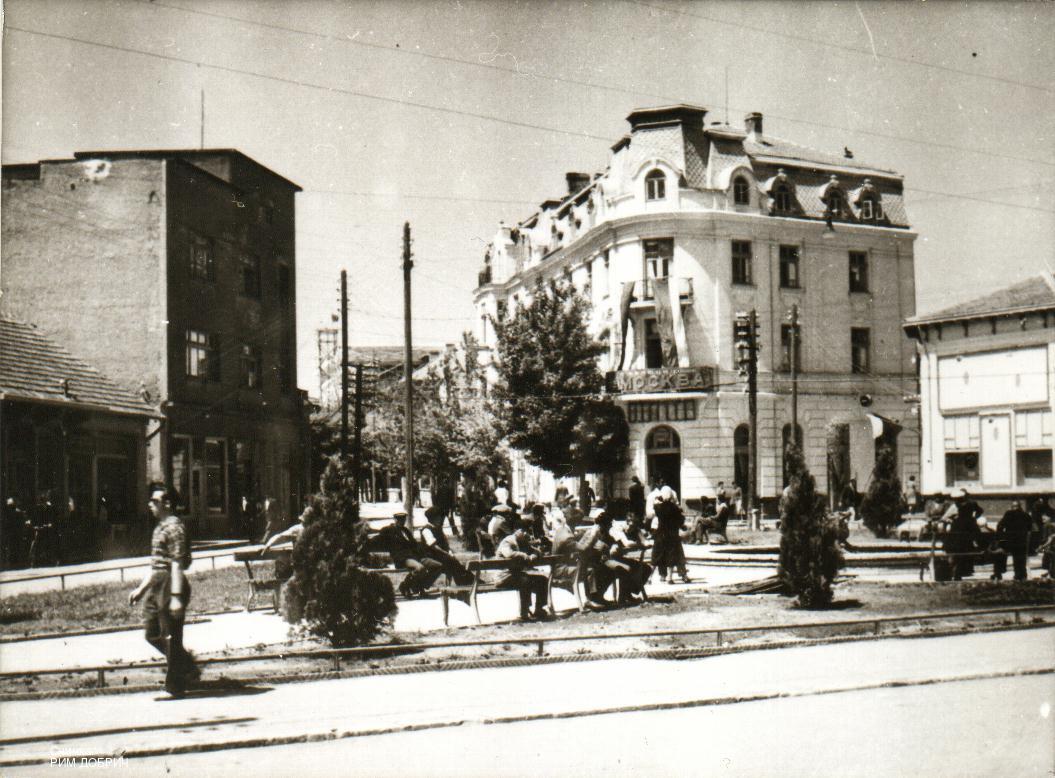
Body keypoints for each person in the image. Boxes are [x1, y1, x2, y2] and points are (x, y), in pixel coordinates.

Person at [128, 488, 199, 698]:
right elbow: (157, 565)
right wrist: (141, 589)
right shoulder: (160, 527)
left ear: (167, 504)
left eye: (154, 500)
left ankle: (176, 686)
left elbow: (176, 563)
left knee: (171, 636)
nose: (150, 504)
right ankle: (187, 666)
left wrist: (176, 597)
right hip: (158, 584)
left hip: (171, 583)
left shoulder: (175, 528)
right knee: (151, 632)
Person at [373, 511, 444, 597]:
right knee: (420, 568)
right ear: (394, 519)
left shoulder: (406, 531)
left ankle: (419, 586)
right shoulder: (389, 530)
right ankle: (405, 586)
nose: (401, 521)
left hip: (415, 557)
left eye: (403, 519)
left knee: (438, 566)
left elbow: (414, 544)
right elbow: (378, 538)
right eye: (399, 519)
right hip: (402, 558)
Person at [495, 524, 551, 621]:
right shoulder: (508, 541)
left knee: (542, 580)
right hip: (504, 576)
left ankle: (539, 609)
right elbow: (508, 554)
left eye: (527, 532)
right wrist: (524, 555)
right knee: (525, 580)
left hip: (516, 575)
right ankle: (524, 612)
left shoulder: (523, 541)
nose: (526, 534)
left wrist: (534, 554)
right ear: (517, 531)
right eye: (524, 531)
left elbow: (536, 551)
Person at [419, 507, 474, 587]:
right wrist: (446, 553)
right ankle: (466, 581)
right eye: (438, 517)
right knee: (452, 562)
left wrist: (449, 552)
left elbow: (445, 544)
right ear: (432, 518)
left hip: (440, 555)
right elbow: (434, 546)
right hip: (430, 555)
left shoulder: (438, 529)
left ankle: (465, 581)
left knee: (454, 562)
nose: (440, 519)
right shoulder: (427, 530)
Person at [943, 489, 984, 580]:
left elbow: (944, 518)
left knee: (958, 550)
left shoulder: (957, 509)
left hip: (959, 534)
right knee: (964, 549)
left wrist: (952, 520)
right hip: (967, 534)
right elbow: (980, 511)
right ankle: (962, 571)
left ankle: (958, 572)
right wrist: (974, 518)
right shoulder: (972, 505)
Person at [652, 493, 690, 584]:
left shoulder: (659, 508)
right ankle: (681, 576)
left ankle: (660, 576)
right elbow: (681, 522)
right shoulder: (675, 508)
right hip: (672, 536)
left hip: (661, 536)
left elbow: (654, 512)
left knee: (659, 556)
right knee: (678, 555)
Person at [992, 500, 1032, 581]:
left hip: (1009, 540)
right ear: (1020, 507)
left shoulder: (1009, 514)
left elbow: (1000, 526)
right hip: (1021, 541)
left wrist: (1000, 538)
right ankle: (1020, 575)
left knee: (999, 553)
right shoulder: (1026, 515)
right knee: (1020, 558)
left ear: (1012, 507)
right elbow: (1030, 528)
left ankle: (998, 573)